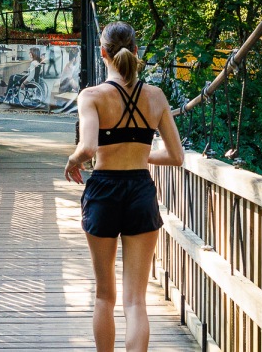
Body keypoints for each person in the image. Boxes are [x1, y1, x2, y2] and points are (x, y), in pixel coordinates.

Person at [65, 22, 185, 352]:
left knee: (104, 295)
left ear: (102, 53)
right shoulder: (156, 96)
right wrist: (143, 157)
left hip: (104, 191)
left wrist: (72, 161)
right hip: (140, 192)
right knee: (136, 302)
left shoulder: (92, 96)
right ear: (135, 51)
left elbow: (88, 148)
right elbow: (177, 156)